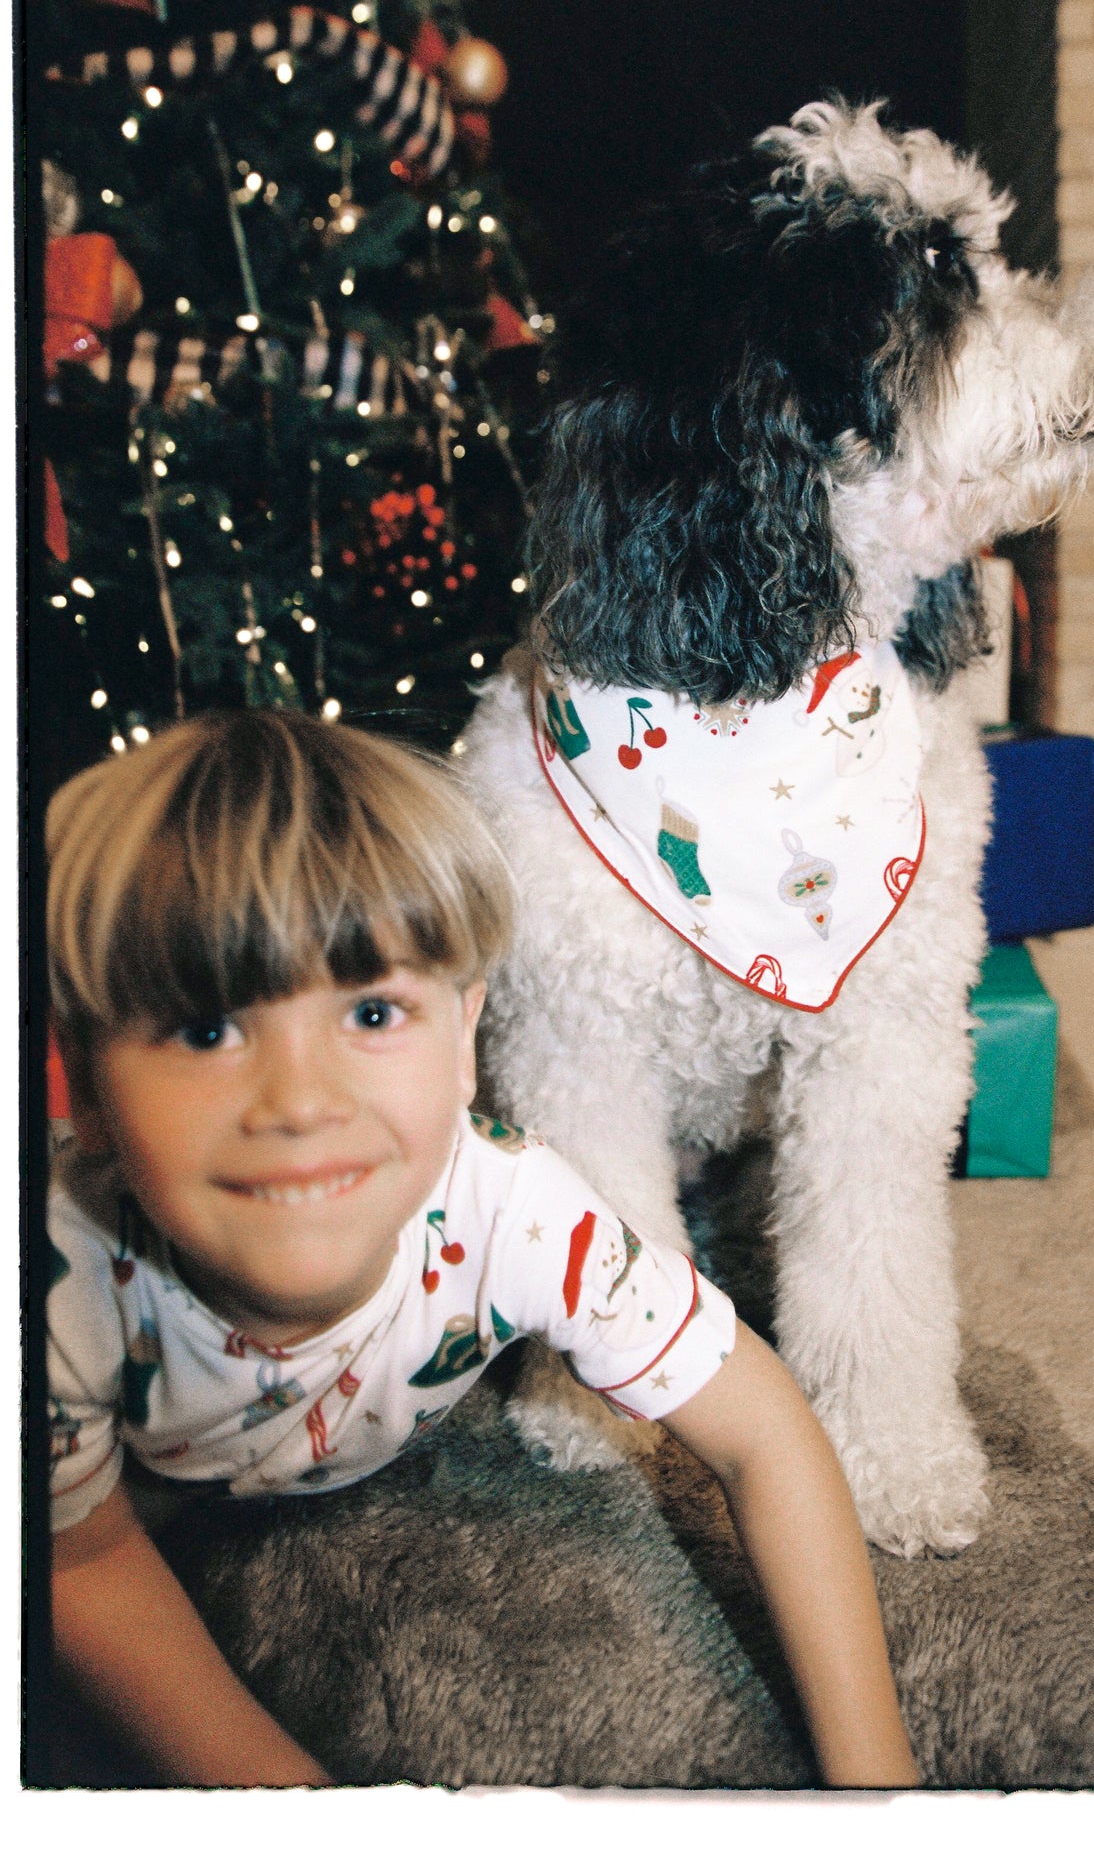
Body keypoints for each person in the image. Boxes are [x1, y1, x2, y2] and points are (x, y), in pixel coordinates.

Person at [44, 710, 920, 1791]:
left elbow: (762, 1434)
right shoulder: (56, 1287)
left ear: (467, 1039)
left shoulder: (515, 1211)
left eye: (370, 1012)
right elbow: (83, 1559)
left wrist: (880, 1794)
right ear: (82, 1080)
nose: (301, 1100)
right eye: (206, 1030)